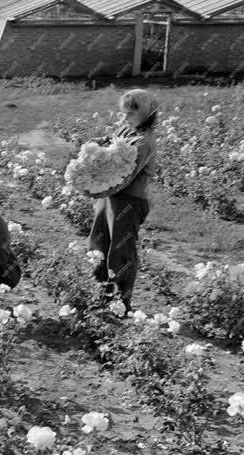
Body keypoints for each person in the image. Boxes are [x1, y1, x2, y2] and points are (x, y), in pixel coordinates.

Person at [88, 89, 158, 313]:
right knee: (99, 241)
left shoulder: (144, 141)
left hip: (128, 200)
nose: (124, 118)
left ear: (147, 113)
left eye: (130, 114)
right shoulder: (127, 128)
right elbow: (110, 141)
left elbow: (126, 175)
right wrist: (95, 144)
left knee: (121, 250)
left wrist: (97, 189)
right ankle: (103, 292)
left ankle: (121, 301)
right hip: (110, 196)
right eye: (123, 113)